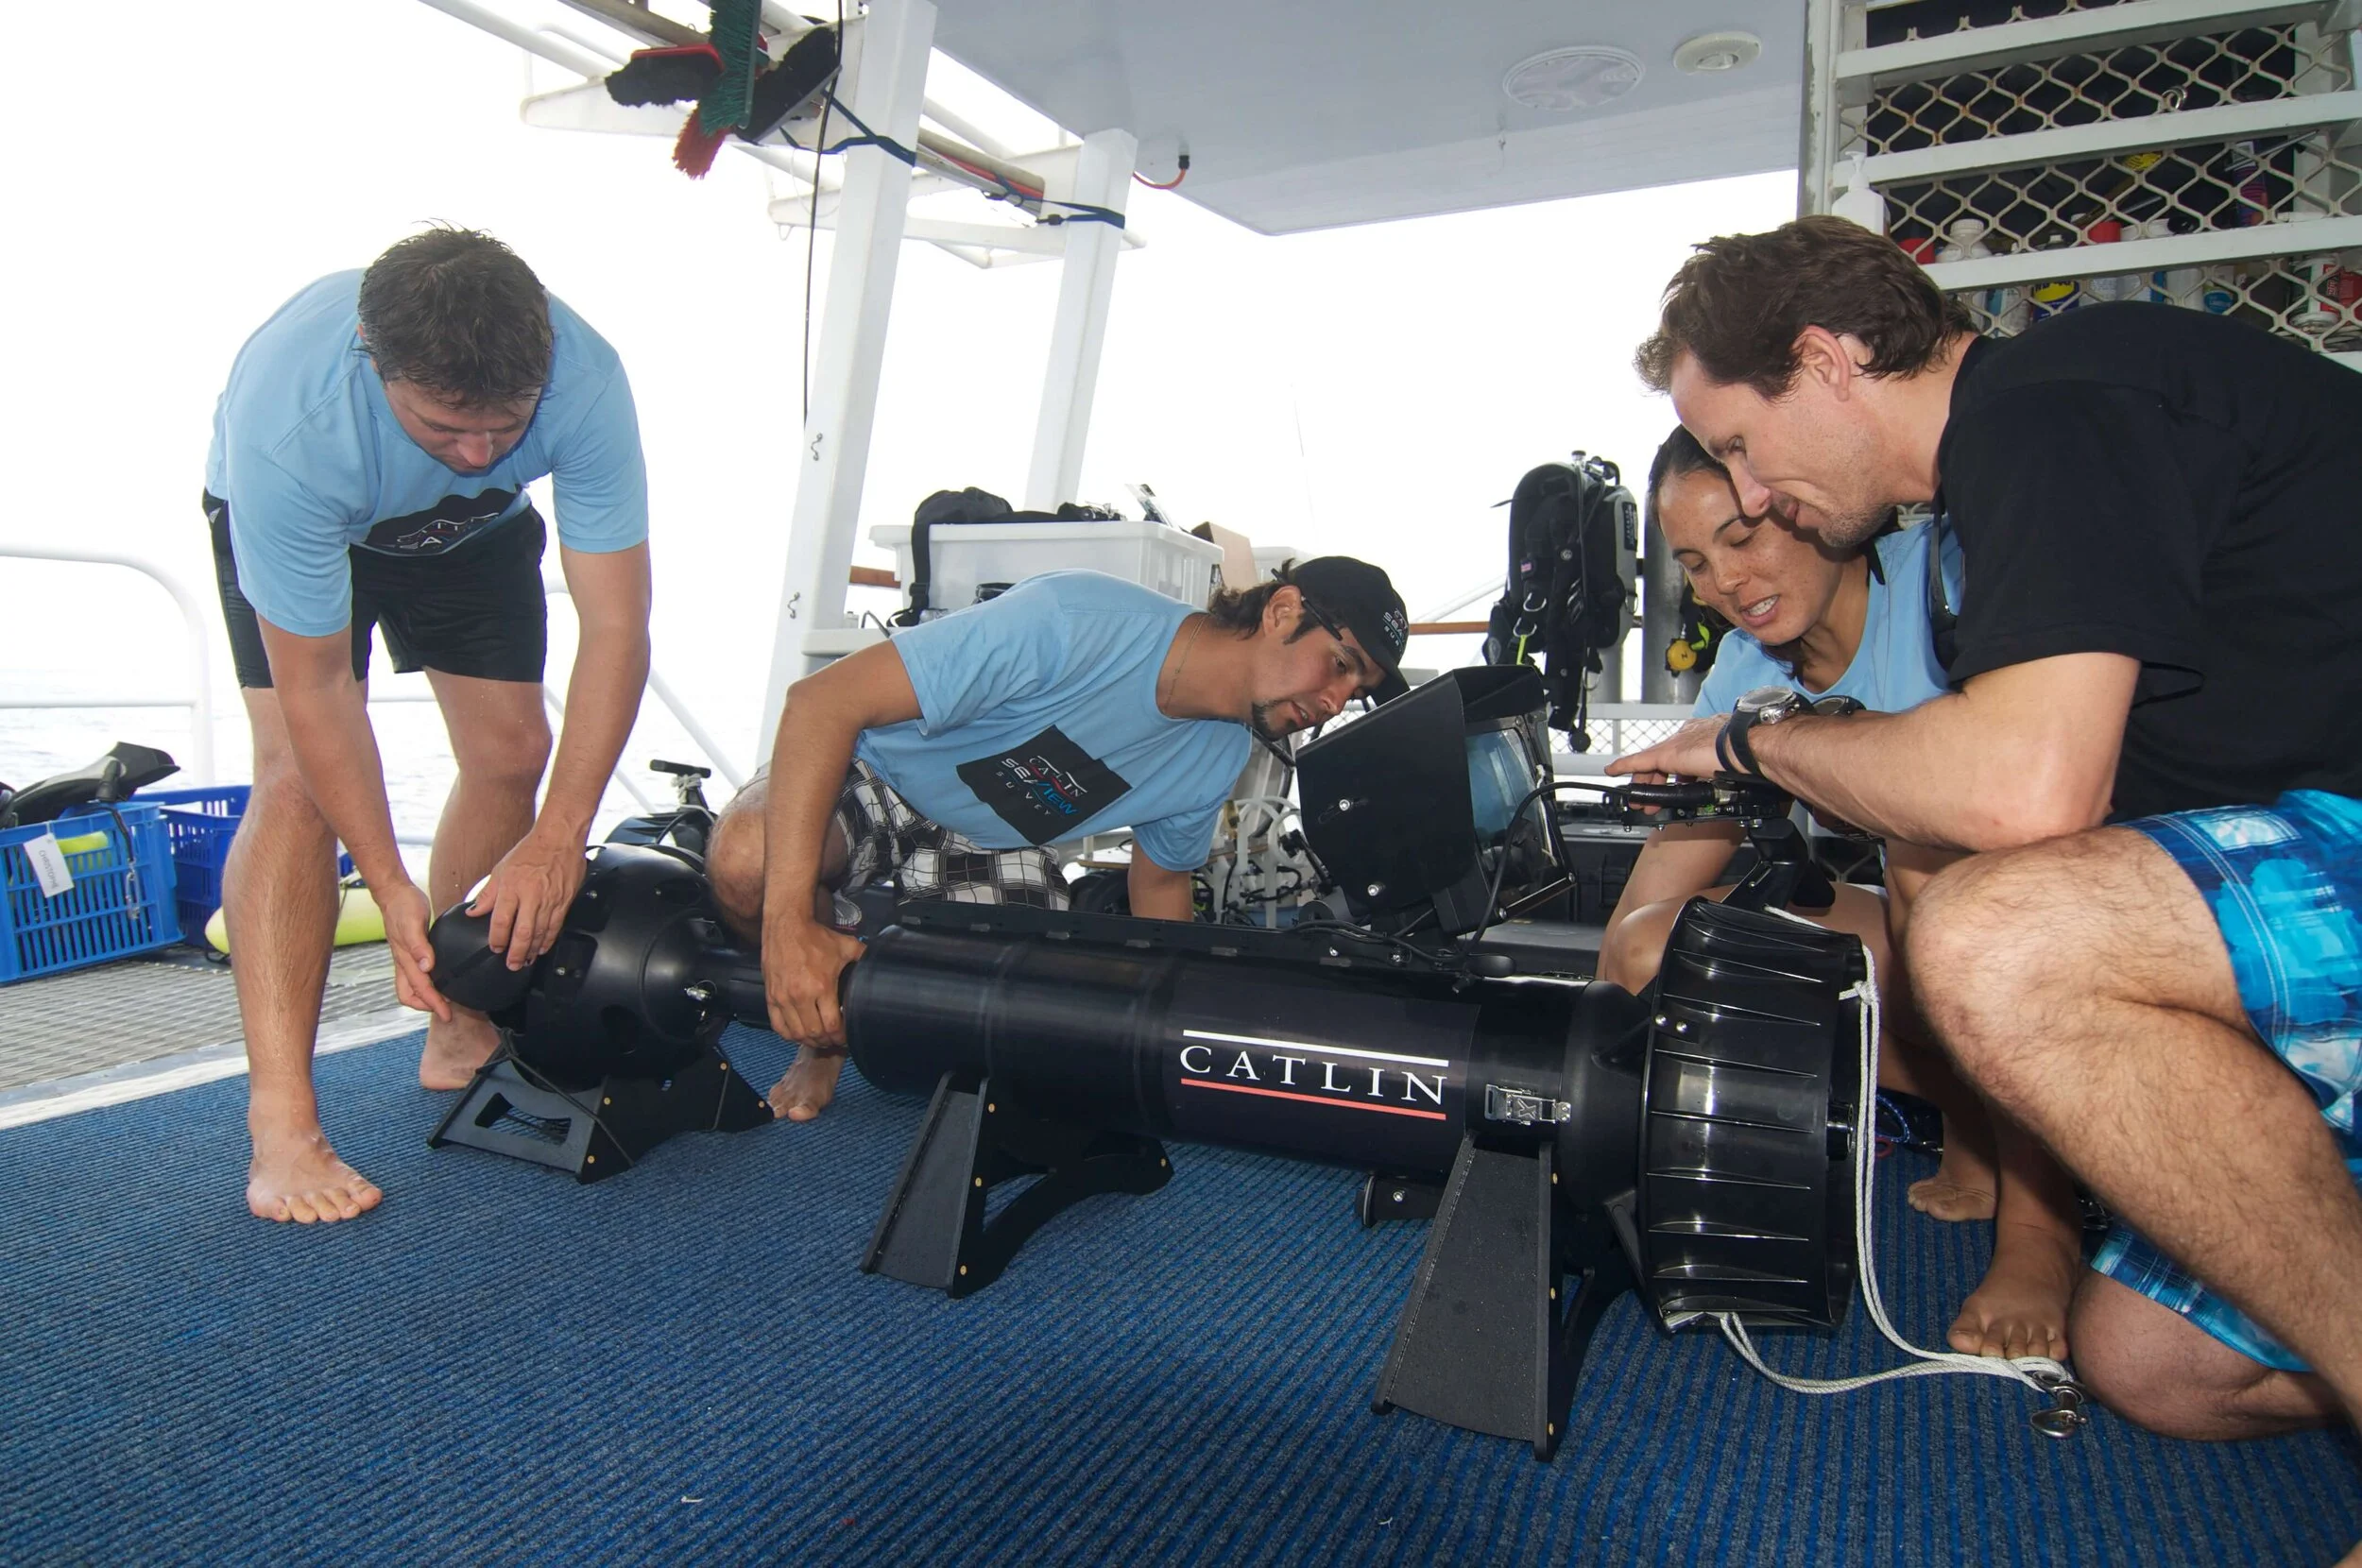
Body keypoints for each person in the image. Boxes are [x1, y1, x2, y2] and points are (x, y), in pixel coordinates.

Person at [1613, 214, 2362, 1467]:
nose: (1748, 494)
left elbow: (2024, 794)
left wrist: (1759, 745)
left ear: (1831, 359)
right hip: (2297, 852)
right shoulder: (1985, 501)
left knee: (1996, 935)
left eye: (1741, 446)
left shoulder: (2050, 404)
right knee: (2151, 1366)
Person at [1599, 426, 2082, 1361]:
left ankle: (2043, 1223)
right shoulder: (1748, 668)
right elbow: (1654, 902)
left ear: (1813, 504)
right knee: (1660, 945)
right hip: (1926, 946)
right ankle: (1969, 1119)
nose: (1724, 582)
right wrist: (1583, 1069)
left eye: (1742, 538)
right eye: (1695, 563)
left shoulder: (1946, 579)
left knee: (1923, 850)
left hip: (2047, 931)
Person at [208, 228, 653, 1224]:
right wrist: (387, 875)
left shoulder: (583, 378)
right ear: (375, 357)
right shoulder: (293, 424)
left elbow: (618, 626)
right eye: (445, 426)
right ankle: (282, 1120)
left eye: (505, 426)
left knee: (513, 752)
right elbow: (321, 687)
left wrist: (558, 838)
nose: (480, 451)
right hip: (311, 522)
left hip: (475, 537)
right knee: (291, 782)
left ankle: (456, 1022)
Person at [706, 556, 1410, 1121]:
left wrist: (1177, 1031)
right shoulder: (1075, 621)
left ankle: (850, 983)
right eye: (1341, 664)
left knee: (1021, 1043)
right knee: (748, 863)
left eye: (1356, 692)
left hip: (988, 842)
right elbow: (821, 702)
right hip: (885, 767)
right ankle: (820, 1035)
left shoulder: (1221, 755)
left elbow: (1160, 885)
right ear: (1282, 610)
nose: (1335, 701)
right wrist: (788, 928)